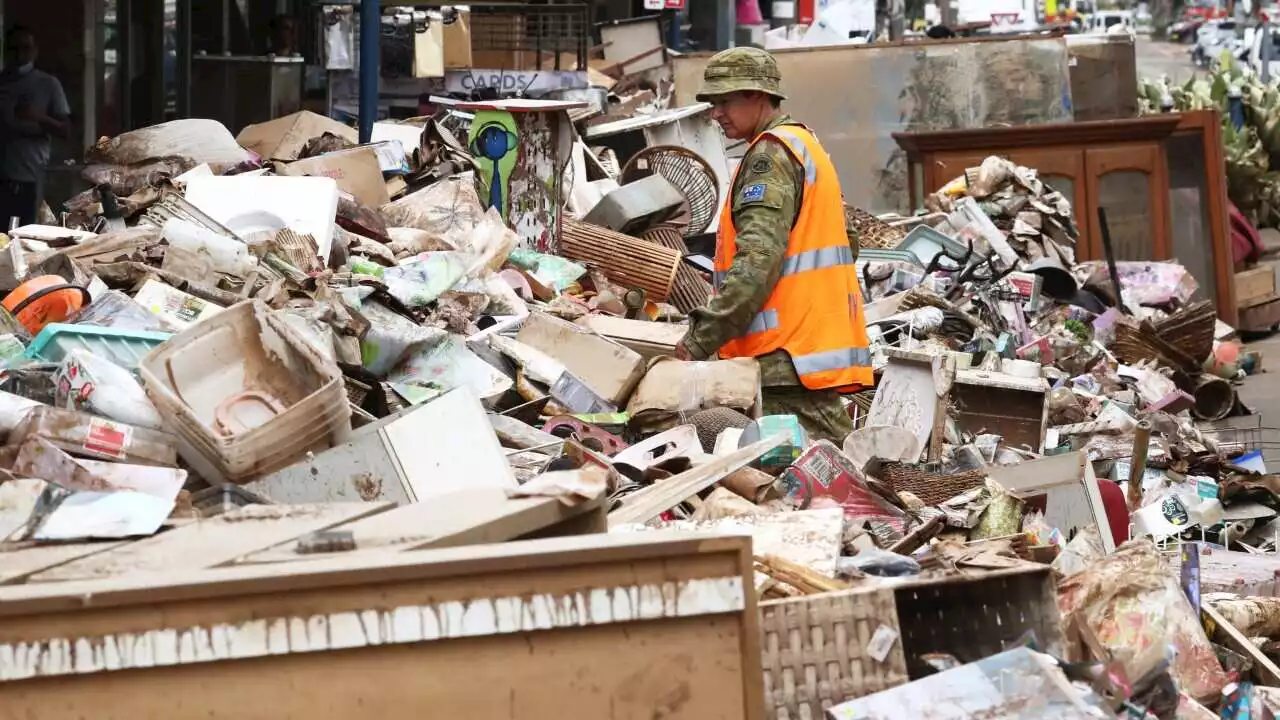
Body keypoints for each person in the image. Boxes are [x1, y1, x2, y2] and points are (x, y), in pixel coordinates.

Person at [675, 47, 873, 444]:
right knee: (833, 468)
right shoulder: (805, 145)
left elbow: (756, 264)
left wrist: (698, 341)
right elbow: (846, 242)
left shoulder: (770, 157)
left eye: (725, 100)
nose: (716, 113)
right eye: (713, 103)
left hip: (784, 357)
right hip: (807, 349)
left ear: (758, 96)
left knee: (816, 481)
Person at [0, 27, 70, 229]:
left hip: (30, 178)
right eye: (14, 49)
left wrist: (39, 117)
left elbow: (65, 130)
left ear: (35, 51)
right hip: (2, 177)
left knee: (26, 235)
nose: (20, 54)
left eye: (26, 48)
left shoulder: (47, 84)